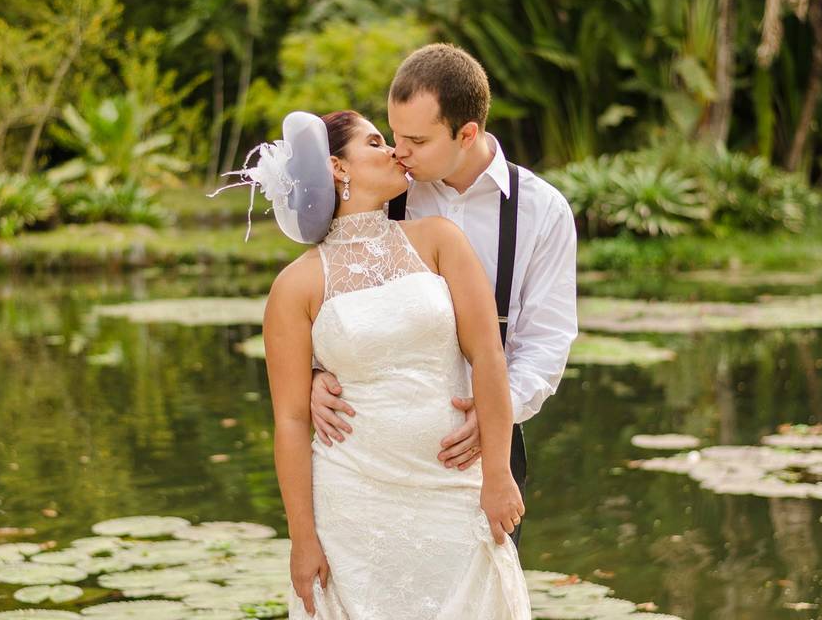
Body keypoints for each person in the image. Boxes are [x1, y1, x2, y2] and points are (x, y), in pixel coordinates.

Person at [218, 108, 532, 618]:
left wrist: (497, 472)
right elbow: (293, 421)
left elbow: (488, 356)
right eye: (375, 142)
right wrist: (302, 539)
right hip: (353, 505)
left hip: (452, 492)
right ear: (337, 167)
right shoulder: (294, 286)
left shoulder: (438, 240)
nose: (394, 151)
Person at [309, 44, 578, 546]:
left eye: (415, 139)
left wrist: (498, 411)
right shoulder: (380, 191)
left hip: (484, 453)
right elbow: (323, 296)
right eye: (392, 134)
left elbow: (546, 339)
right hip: (372, 449)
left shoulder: (542, 211)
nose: (398, 151)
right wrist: (316, 373)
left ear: (467, 133)